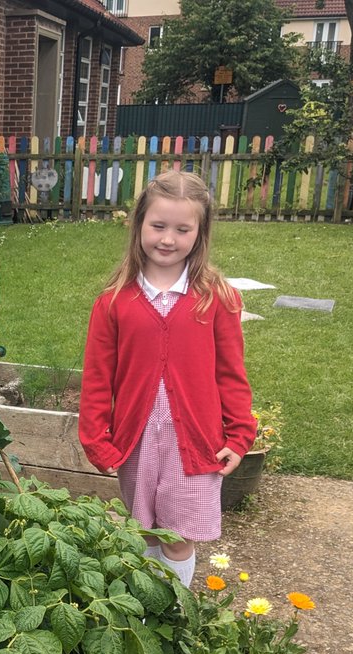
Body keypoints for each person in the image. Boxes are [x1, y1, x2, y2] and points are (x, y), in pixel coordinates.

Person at [78, 170, 257, 587]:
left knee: (177, 540)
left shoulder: (217, 298)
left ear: (200, 232)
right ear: (139, 223)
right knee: (144, 536)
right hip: (137, 440)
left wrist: (239, 435)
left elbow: (231, 373)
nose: (167, 239)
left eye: (182, 229)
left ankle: (174, 612)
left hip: (195, 445)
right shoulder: (113, 302)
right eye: (158, 226)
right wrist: (95, 438)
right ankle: (146, 617)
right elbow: (97, 378)